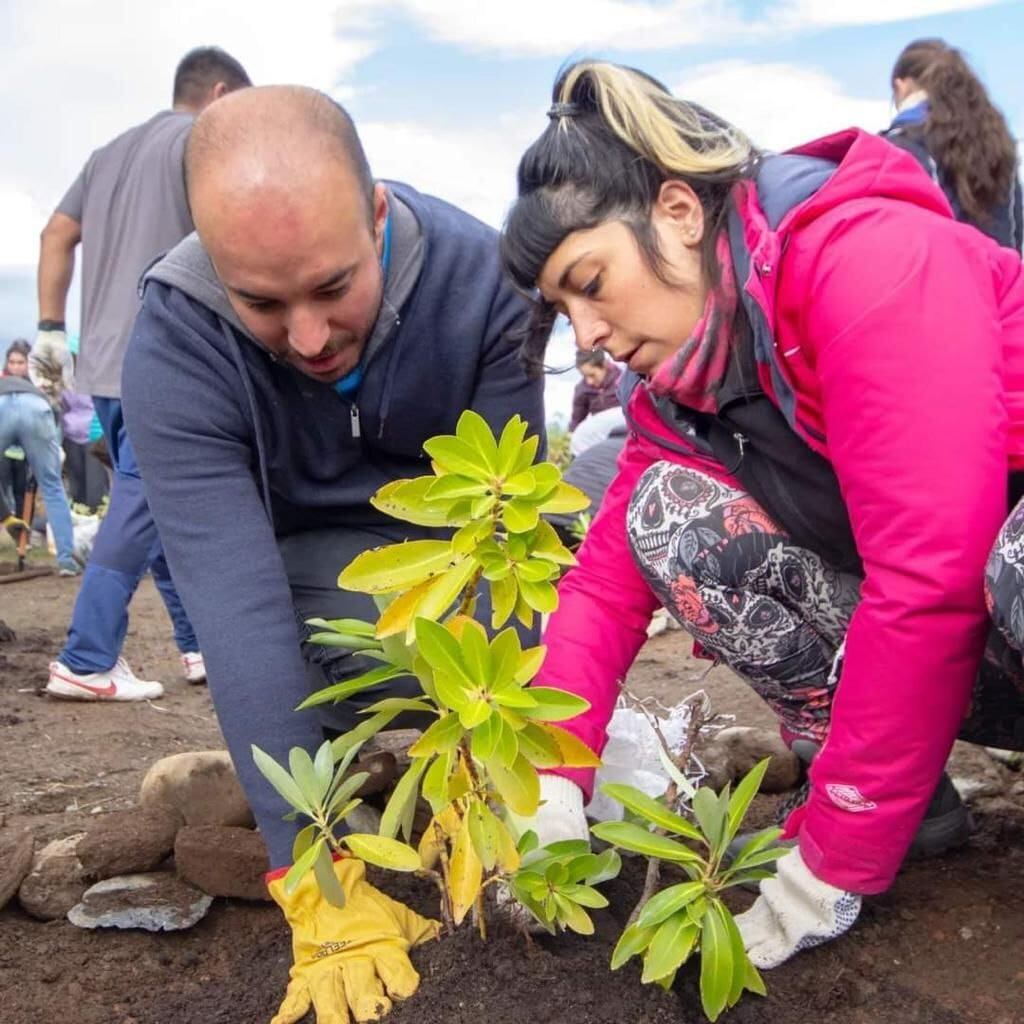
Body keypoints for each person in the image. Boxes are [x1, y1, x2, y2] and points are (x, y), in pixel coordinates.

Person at [501, 61, 1024, 971]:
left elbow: (930, 575)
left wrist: (834, 856)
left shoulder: (863, 257)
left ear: (676, 212)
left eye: (591, 282)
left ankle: (871, 809)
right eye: (561, 308)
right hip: (978, 648)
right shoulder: (681, 389)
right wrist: (549, 774)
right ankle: (912, 804)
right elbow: (602, 589)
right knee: (668, 518)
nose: (583, 332)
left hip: (991, 590)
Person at [121, 85, 544, 1023]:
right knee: (296, 647)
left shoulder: (482, 284)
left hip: (448, 583)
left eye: (331, 287)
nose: (307, 338)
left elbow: (510, 552)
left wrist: (505, 779)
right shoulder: (178, 334)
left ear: (378, 211)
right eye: (262, 303)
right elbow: (234, 605)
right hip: (303, 591)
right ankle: (329, 793)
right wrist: (312, 866)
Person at [38, 46, 251, 703]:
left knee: (151, 498)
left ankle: (195, 647)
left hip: (100, 359)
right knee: (141, 498)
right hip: (166, 353)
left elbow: (54, 234)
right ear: (219, 95)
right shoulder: (205, 140)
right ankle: (87, 656)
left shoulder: (108, 155)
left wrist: (50, 327)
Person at [882, 38, 1022, 252]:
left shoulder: (898, 145)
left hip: (939, 279)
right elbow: (1016, 230)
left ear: (901, 85)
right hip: (1002, 280)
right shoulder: (999, 143)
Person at [0, 361, 78, 575]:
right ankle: (66, 560)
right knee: (52, 486)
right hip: (39, 409)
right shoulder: (35, 391)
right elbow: (55, 429)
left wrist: (4, 515)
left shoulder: (6, 384)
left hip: (1, 406)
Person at [1, 340, 32, 518]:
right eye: (12, 362)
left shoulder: (34, 387)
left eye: (20, 363)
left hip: (26, 448)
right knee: (3, 491)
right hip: (3, 447)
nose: (15, 367)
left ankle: (23, 536)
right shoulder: (2, 384)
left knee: (23, 492)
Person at [570, 349, 622, 430]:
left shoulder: (622, 379)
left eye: (592, 375)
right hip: (601, 433)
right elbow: (576, 422)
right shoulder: (581, 390)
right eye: (584, 376)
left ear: (604, 365)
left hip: (624, 428)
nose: (589, 381)